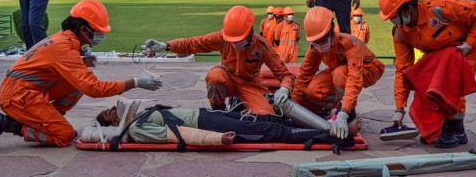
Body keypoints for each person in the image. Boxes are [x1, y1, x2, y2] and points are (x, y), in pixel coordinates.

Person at [0, 0, 162, 151]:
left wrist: (82, 63)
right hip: (18, 96)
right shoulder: (65, 48)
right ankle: (3, 123)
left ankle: (49, 117)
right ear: (84, 30)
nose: (100, 36)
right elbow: (94, 89)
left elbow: (53, 69)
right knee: (64, 135)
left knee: (77, 84)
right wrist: (135, 82)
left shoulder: (64, 39)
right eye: (98, 31)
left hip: (25, 89)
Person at [378, 0, 476, 148]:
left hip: (471, 45)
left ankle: (454, 129)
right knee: (421, 81)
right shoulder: (401, 34)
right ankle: (438, 127)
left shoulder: (440, 8)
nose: (393, 22)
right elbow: (403, 70)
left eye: (393, 17)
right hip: (444, 51)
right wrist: (399, 109)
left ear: (408, 9)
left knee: (451, 85)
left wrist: (470, 43)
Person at [141, 5, 294, 115]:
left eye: (238, 40)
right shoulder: (222, 38)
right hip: (227, 78)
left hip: (251, 83)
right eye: (231, 40)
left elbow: (284, 74)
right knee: (215, 77)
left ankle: (239, 103)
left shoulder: (262, 46)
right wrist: (166, 45)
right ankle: (219, 112)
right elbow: (194, 43)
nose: (234, 43)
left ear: (250, 33)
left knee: (265, 116)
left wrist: (285, 88)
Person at [286, 6, 384, 139]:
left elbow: (354, 78)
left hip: (369, 68)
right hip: (339, 70)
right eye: (316, 42)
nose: (320, 46)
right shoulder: (315, 48)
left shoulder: (349, 44)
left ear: (332, 29)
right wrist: (293, 106)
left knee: (340, 74)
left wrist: (343, 113)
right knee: (313, 89)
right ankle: (330, 110)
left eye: (323, 40)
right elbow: (304, 75)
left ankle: (347, 113)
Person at [94, 102, 362, 146]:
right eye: (108, 112)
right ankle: (334, 134)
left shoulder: (136, 117)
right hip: (207, 126)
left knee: (262, 119)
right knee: (270, 132)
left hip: (207, 116)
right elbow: (174, 134)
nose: (111, 108)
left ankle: (324, 125)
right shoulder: (136, 128)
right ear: (112, 123)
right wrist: (215, 139)